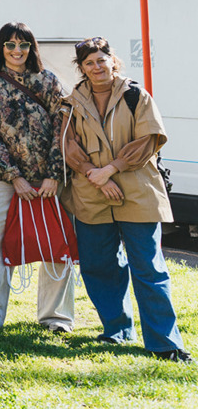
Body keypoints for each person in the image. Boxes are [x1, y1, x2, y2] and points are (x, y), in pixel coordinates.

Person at [61, 37, 190, 362]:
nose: (96, 67)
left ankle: (165, 343)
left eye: (101, 60)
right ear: (82, 68)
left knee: (148, 267)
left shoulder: (136, 95)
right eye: (89, 63)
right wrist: (96, 174)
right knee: (99, 266)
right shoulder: (71, 102)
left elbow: (149, 140)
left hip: (137, 189)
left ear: (112, 60)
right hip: (91, 191)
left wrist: (111, 170)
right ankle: (116, 330)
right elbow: (68, 145)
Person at [0, 22, 74, 334]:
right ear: (0, 48)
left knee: (55, 244)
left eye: (23, 45)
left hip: (49, 179)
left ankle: (55, 319)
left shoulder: (47, 81)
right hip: (5, 180)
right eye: (10, 45)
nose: (17, 51)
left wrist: (54, 175)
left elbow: (64, 129)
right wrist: (13, 176)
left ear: (32, 49)